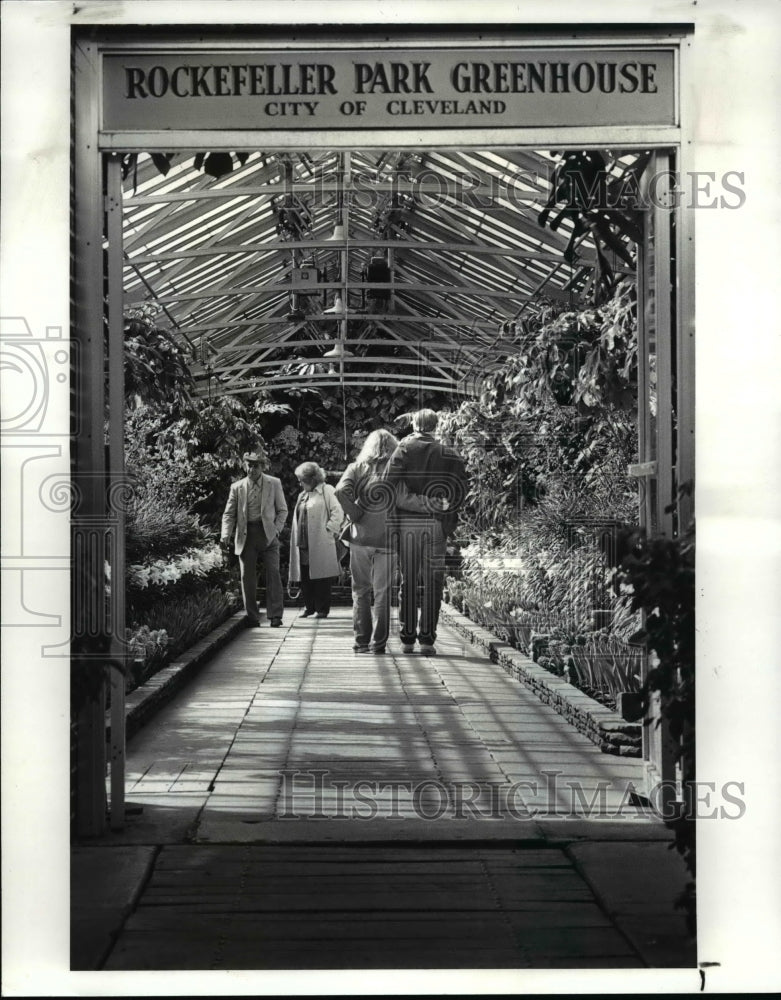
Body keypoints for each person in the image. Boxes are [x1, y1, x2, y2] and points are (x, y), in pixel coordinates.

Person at [386, 409, 468, 655]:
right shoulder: (449, 454)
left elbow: (387, 481)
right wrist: (446, 518)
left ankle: (407, 638)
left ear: (414, 425)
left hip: (408, 523)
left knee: (408, 581)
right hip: (435, 524)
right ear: (436, 425)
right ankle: (428, 640)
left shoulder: (404, 450)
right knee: (433, 582)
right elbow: (461, 490)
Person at [335, 429, 399, 654]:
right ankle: (378, 644)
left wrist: (355, 515)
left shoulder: (356, 468)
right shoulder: (399, 470)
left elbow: (340, 491)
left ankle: (362, 641)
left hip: (361, 538)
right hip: (389, 539)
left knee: (360, 590)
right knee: (383, 592)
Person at [221, 449, 288, 627]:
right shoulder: (237, 487)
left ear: (262, 466)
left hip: (268, 533)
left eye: (256, 466)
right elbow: (229, 514)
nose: (252, 470)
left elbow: (282, 510)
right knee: (247, 576)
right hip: (246, 534)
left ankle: (275, 616)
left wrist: (277, 530)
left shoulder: (274, 483)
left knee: (273, 573)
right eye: (249, 466)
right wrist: (225, 534)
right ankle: (252, 617)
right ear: (245, 466)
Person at [288, 461, 345, 619]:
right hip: (304, 542)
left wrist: (329, 530)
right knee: (305, 575)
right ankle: (309, 607)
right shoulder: (303, 495)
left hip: (321, 541)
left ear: (312, 479)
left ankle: (322, 609)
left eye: (302, 480)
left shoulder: (327, 491)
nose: (300, 483)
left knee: (322, 577)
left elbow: (338, 512)